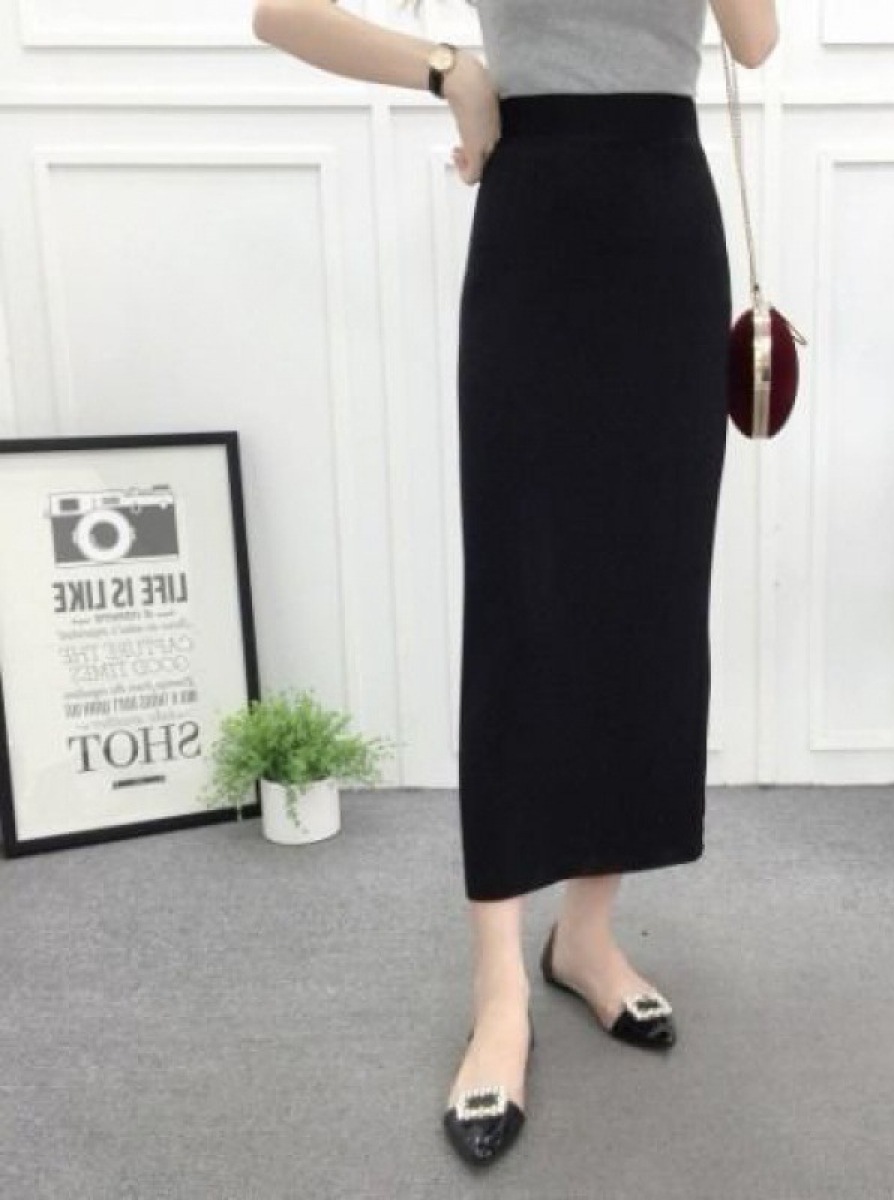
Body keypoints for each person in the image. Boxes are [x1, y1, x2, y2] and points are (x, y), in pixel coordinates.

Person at [251, 0, 779, 1168]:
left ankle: (585, 936)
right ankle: (498, 989)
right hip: (536, 229)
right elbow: (279, 13)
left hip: (666, 233)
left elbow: (754, 41)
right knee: (523, 608)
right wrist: (449, 68)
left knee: (645, 602)